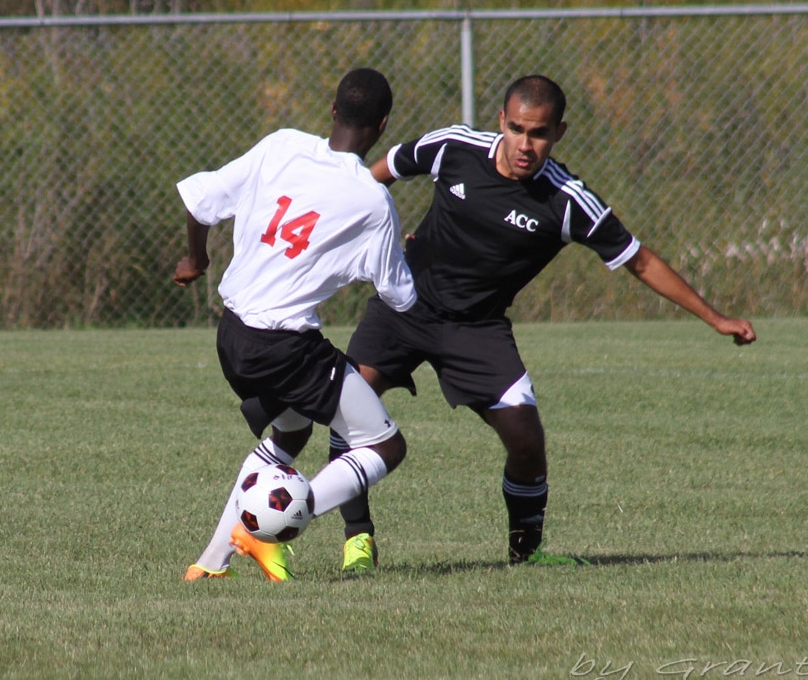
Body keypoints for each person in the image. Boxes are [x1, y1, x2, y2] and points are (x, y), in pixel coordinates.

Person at [333, 74, 756, 570]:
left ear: (559, 133)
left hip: (477, 328)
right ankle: (357, 538)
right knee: (349, 405)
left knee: (526, 438)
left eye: (538, 133)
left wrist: (715, 318)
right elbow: (370, 180)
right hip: (404, 306)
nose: (525, 144)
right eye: (516, 129)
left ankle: (526, 554)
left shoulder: (568, 200)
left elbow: (640, 261)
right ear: (501, 122)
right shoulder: (452, 147)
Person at [172, 67, 416, 581]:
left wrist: (196, 261)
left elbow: (199, 202)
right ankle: (270, 527)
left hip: (232, 335)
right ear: (383, 125)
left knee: (290, 429)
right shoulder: (373, 200)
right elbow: (398, 295)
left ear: (332, 111)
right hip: (285, 346)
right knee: (384, 446)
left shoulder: (281, 145)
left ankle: (211, 563)